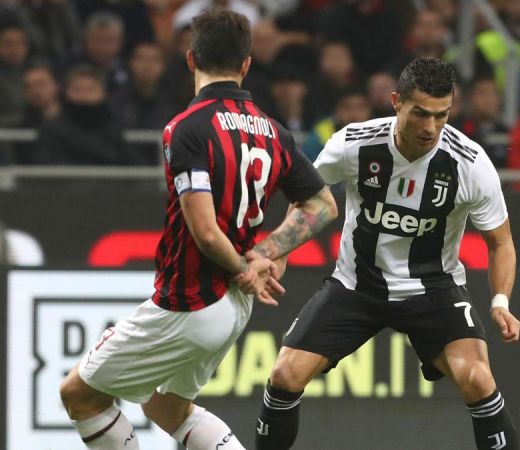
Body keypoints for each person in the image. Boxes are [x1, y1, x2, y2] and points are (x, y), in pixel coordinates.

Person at [58, 9, 337, 450]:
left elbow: (205, 232)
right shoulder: (273, 132)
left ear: (190, 59)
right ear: (246, 64)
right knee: (167, 407)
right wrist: (266, 253)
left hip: (190, 299)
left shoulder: (187, 129)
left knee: (79, 394)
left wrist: (244, 267)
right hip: (234, 308)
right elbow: (322, 205)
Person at [252, 57, 520, 450]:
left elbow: (501, 242)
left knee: (479, 379)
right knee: (284, 375)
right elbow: (307, 198)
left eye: (442, 116)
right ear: (397, 102)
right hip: (356, 285)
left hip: (434, 289)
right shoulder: (353, 144)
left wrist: (500, 302)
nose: (431, 128)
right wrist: (281, 250)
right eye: (421, 113)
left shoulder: (470, 164)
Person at [34, 65, 133, 165]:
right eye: (77, 89)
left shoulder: (114, 128)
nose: (84, 95)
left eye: (91, 89)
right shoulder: (52, 128)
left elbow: (131, 161)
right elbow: (45, 161)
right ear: (66, 93)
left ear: (103, 93)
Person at [302, 85, 372, 161]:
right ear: (336, 110)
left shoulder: (379, 134)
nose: (354, 114)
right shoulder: (320, 134)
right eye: (347, 108)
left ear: (369, 110)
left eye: (360, 108)